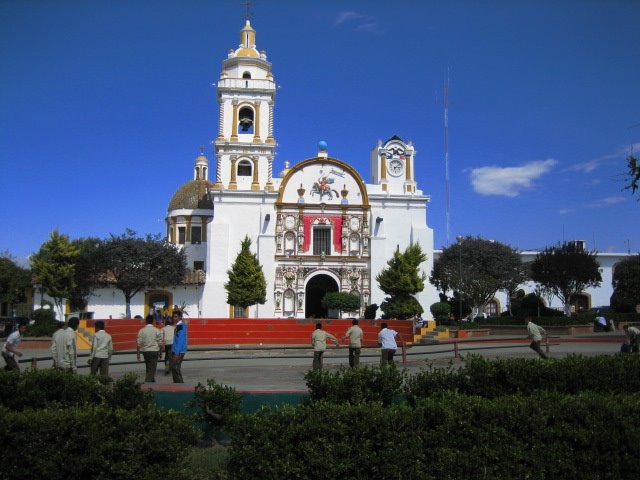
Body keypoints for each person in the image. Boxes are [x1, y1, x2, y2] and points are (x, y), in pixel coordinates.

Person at [137, 314, 162, 382]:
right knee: (152, 369)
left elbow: (138, 344)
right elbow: (160, 343)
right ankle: (147, 383)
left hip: (146, 351)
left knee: (148, 368)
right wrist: (160, 353)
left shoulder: (142, 331)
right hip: (154, 351)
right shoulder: (157, 330)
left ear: (146, 321)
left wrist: (138, 355)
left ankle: (152, 383)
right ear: (153, 321)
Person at [171, 313, 188, 383]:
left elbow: (180, 340)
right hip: (178, 350)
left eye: (176, 317)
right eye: (173, 317)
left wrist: (177, 353)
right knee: (175, 368)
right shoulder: (180, 326)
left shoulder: (180, 326)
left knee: (175, 368)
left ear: (180, 317)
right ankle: (178, 384)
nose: (174, 318)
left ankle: (180, 384)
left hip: (179, 351)